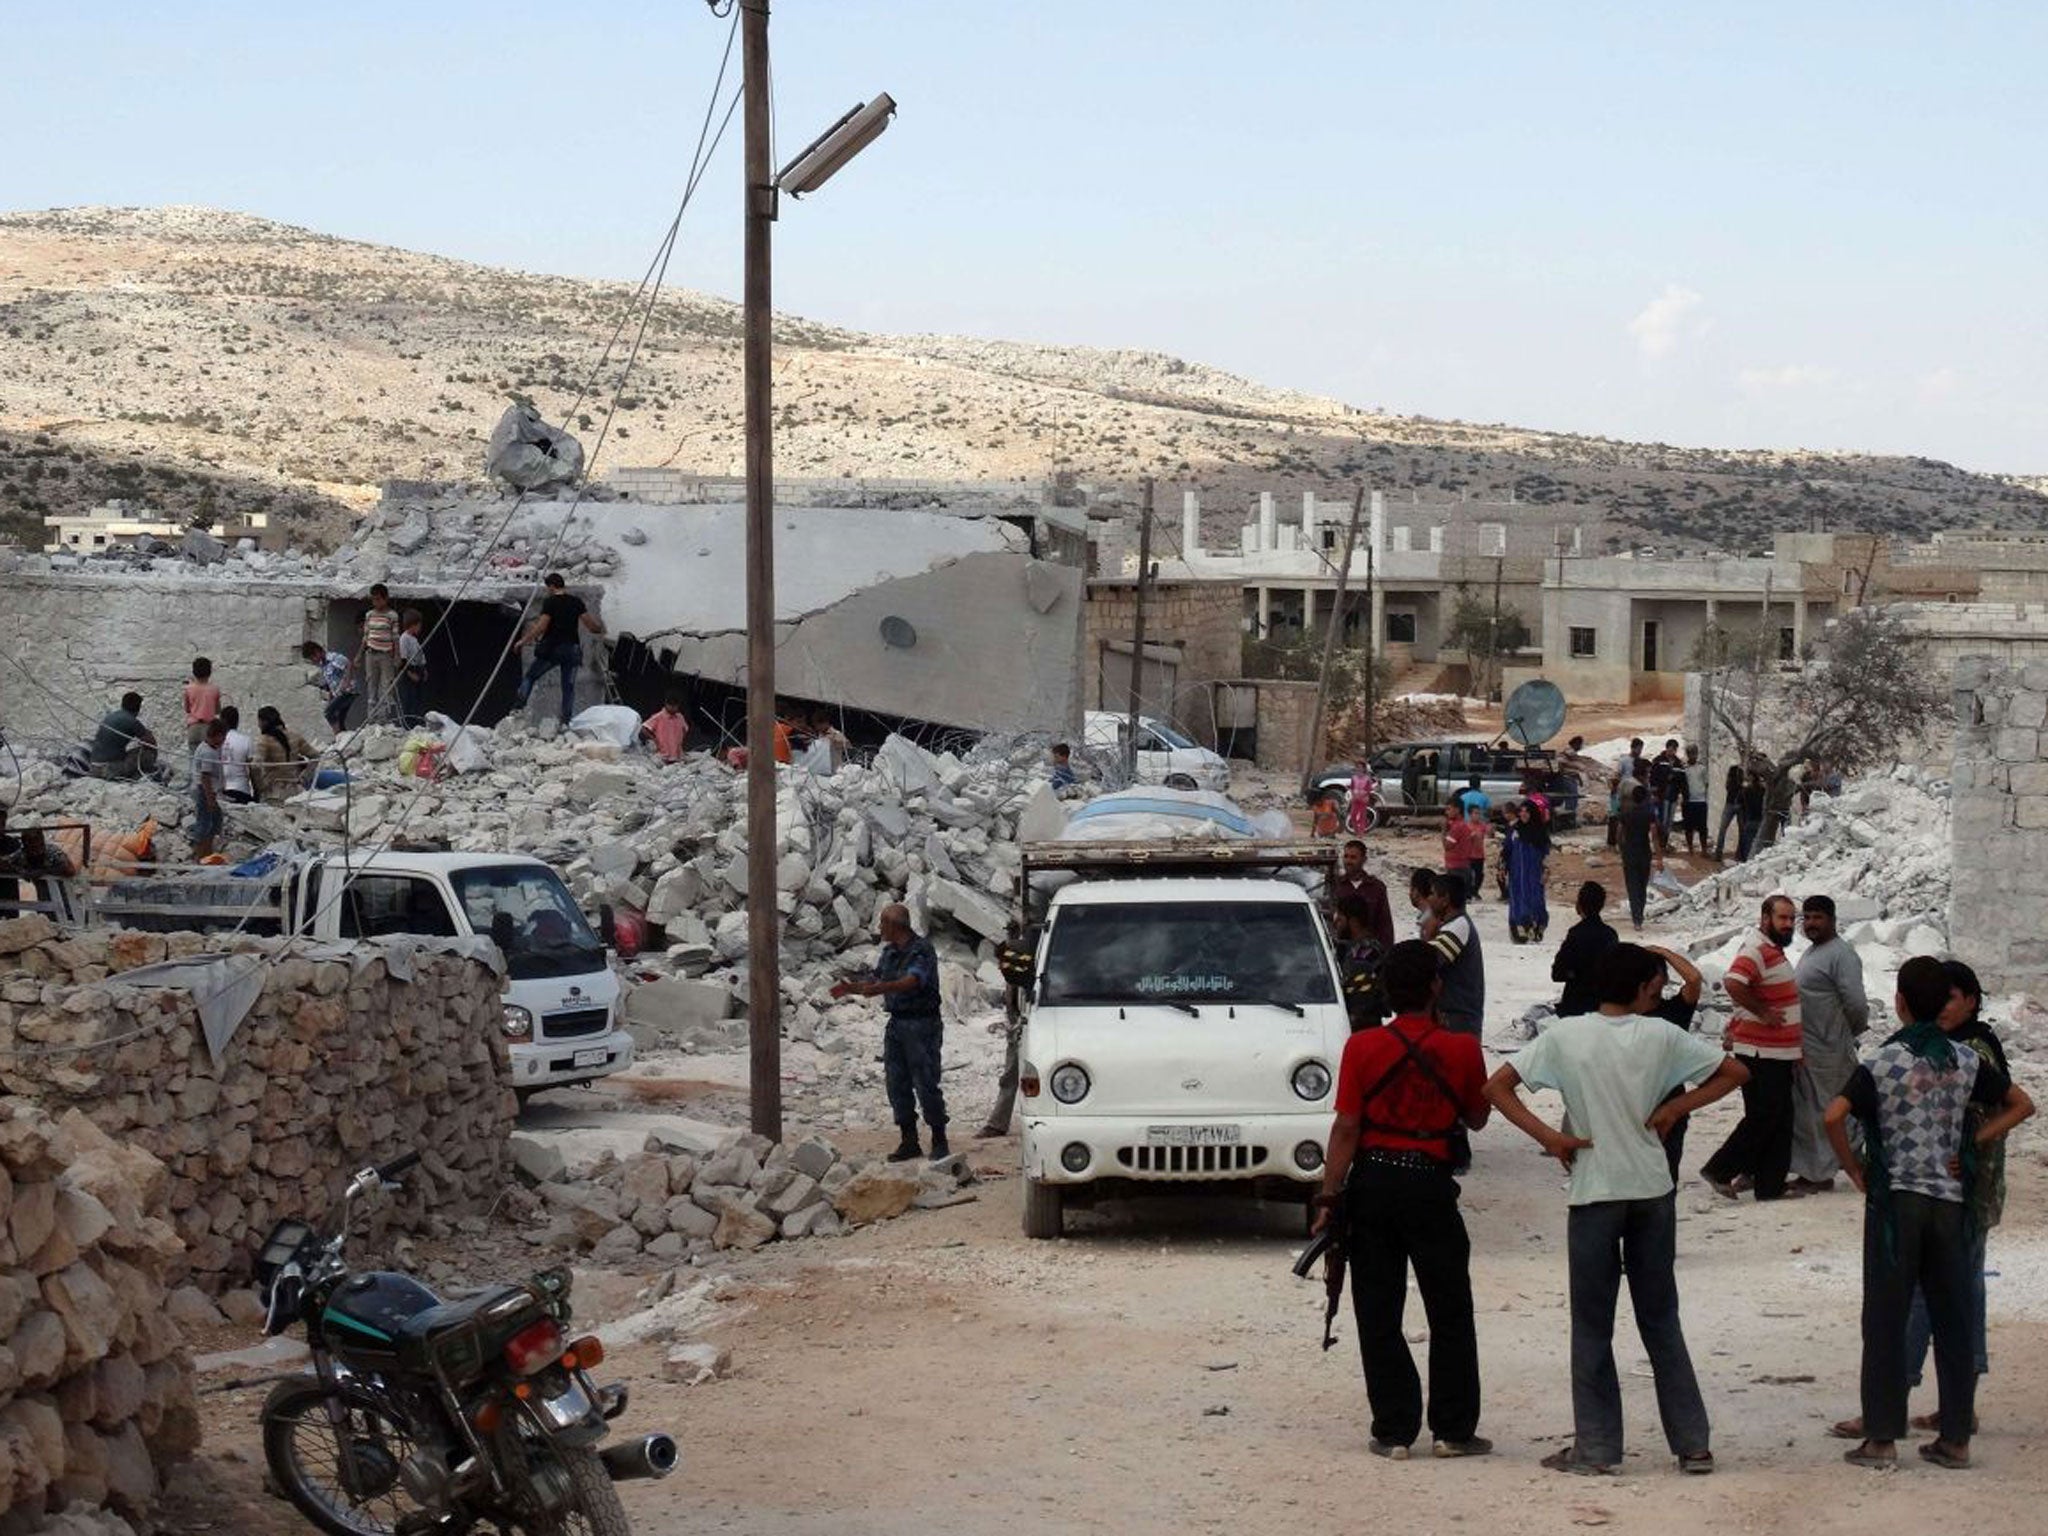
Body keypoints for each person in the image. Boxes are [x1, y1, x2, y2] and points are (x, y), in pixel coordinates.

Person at [1484, 943, 1748, 1477]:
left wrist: (1553, 1137)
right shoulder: (1662, 1035)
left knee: (1592, 1326)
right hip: (1652, 1189)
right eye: (1654, 984)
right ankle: (1693, 1444)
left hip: (1594, 1191)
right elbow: (1735, 1074)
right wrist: (1674, 1106)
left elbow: (1497, 1087)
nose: (1659, 991)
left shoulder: (1565, 1036)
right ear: (1639, 987)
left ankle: (1598, 1448)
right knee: (1661, 1319)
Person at [1824, 956, 2033, 1473]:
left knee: (1886, 1318)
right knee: (1954, 1318)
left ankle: (1880, 1438)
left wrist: (1855, 1171)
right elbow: (2022, 1104)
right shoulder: (1964, 1060)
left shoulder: (1883, 1061)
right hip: (1951, 1202)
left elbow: (1834, 1115)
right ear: (1944, 1003)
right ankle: (1955, 1439)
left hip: (1897, 1204)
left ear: (1899, 1003)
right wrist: (1973, 1143)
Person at [1311, 941, 1493, 1461]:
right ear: (1436, 986)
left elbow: (1346, 1127)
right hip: (1431, 1185)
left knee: (1378, 1308)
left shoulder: (1363, 1047)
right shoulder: (1459, 1048)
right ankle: (1453, 1431)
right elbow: (1477, 1117)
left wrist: (1328, 1194)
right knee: (1450, 1307)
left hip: (1373, 1183)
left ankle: (1394, 1429)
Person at [1700, 895, 1803, 1202]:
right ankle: (1720, 1169)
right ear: (1765, 919)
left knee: (1781, 1120)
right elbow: (1733, 983)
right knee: (1764, 1116)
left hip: (1778, 1051)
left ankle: (1769, 1186)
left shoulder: (1773, 951)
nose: (1787, 924)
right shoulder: (1756, 948)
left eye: (1790, 919)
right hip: (1761, 1051)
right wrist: (1762, 1012)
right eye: (1782, 918)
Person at [832, 904, 949, 1162]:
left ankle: (939, 1138)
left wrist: (881, 988)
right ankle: (909, 1140)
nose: (879, 929)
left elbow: (913, 981)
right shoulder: (889, 953)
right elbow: (875, 980)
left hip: (922, 1025)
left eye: (882, 924)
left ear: (895, 925)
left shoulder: (922, 950)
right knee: (897, 1084)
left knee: (926, 1082)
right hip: (897, 1025)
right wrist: (851, 988)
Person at [1787, 895, 1869, 1193]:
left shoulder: (1841, 954)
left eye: (1817, 917)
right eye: (1806, 917)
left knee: (1828, 1110)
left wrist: (1846, 1033)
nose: (1810, 923)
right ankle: (1825, 1167)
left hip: (1830, 1050)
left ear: (1832, 920)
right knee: (1811, 1111)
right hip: (1811, 1049)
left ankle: (1820, 1174)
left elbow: (1857, 1004)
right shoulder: (1812, 952)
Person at [516, 574, 604, 726]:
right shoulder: (576, 602)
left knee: (530, 676)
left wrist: (523, 641)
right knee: (568, 687)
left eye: (548, 587)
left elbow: (541, 627)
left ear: (551, 586)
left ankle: (517, 708)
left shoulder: (550, 602)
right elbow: (591, 625)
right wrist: (601, 629)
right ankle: (566, 721)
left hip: (553, 648)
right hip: (572, 650)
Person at [1424, 874, 1484, 1039]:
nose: (1429, 899)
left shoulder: (1458, 926)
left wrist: (1427, 935)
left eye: (1432, 894)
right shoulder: (1451, 925)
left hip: (1458, 1017)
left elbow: (1426, 961)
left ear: (1445, 900)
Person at [1551, 882, 1619, 1019]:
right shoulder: (1610, 934)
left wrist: (1575, 974)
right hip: (1604, 1006)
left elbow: (1557, 973)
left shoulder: (1576, 934)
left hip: (1576, 1005)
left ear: (1579, 905)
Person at [1331, 896, 1391, 1032]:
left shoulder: (1363, 955)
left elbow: (1359, 1005)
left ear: (1353, 922)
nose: (1335, 924)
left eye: (1340, 919)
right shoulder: (1371, 947)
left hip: (1362, 1029)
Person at [1334, 839, 1395, 954]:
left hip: (1369, 950)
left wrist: (1386, 953)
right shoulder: (1336, 885)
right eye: (1346, 856)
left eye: (1353, 857)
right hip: (1341, 949)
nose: (1348, 861)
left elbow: (1385, 924)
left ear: (1364, 859)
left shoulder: (1377, 888)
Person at [1503, 797, 1551, 944]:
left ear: (1533, 813)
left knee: (1536, 900)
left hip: (1534, 873)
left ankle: (1537, 927)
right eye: (1521, 811)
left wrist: (1546, 870)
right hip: (1517, 873)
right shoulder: (1515, 830)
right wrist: (1502, 867)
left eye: (1527, 811)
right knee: (1518, 900)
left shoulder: (1540, 832)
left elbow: (1546, 854)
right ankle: (1519, 931)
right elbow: (1507, 850)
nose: (1523, 814)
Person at [1615, 783, 1660, 931]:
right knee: (1642, 885)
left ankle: (1636, 919)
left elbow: (1619, 833)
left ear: (1633, 798)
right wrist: (1659, 857)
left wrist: (1621, 848)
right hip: (1644, 852)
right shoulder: (1649, 814)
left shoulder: (1625, 814)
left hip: (1629, 853)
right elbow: (1654, 836)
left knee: (1632, 885)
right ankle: (1639, 914)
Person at [88, 692, 159, 782]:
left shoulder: (111, 716)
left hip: (93, 766)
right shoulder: (132, 721)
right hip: (108, 769)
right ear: (138, 707)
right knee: (147, 753)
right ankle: (141, 774)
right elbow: (151, 744)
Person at [251, 706, 316, 803]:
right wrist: (305, 777)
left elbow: (255, 766)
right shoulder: (295, 736)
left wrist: (261, 786)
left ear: (264, 722)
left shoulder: (264, 740)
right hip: (296, 791)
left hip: (274, 793)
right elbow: (315, 756)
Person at [356, 583, 400, 724]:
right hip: (371, 654)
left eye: (378, 599)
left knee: (385, 686)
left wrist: (397, 656)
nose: (376, 602)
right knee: (371, 686)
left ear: (385, 598)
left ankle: (382, 719)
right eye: (373, 599)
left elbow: (395, 637)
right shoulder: (369, 615)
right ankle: (371, 719)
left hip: (385, 655)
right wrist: (358, 655)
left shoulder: (392, 616)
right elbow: (366, 637)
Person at [302, 641, 358, 735]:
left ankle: (337, 735)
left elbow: (349, 664)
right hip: (338, 693)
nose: (313, 661)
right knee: (340, 718)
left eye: (312, 658)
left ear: (317, 652)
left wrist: (346, 682)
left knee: (329, 712)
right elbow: (331, 681)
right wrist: (331, 694)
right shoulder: (323, 665)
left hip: (348, 692)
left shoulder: (333, 658)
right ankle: (343, 737)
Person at [190, 719, 227, 859]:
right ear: (217, 735)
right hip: (204, 790)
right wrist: (210, 799)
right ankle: (200, 855)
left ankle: (208, 853)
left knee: (215, 821)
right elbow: (205, 778)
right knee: (204, 823)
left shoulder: (207, 748)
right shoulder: (207, 753)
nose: (223, 740)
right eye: (223, 736)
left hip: (209, 791)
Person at [1441, 805, 1483, 903]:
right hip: (1464, 861)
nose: (1447, 812)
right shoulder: (1464, 826)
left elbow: (1447, 846)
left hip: (1457, 864)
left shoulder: (1457, 827)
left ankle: (1472, 894)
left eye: (1449, 809)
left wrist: (1443, 832)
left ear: (1457, 810)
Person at [216, 706, 255, 804]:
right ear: (237, 722)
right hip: (242, 789)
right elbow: (253, 769)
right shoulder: (246, 740)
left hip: (221, 790)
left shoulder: (216, 741)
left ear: (222, 721)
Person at [396, 608, 428, 727]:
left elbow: (420, 655)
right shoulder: (404, 638)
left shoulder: (414, 639)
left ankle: (416, 723)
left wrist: (423, 669)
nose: (420, 628)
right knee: (409, 699)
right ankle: (408, 724)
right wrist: (410, 673)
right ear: (413, 625)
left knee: (417, 700)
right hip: (409, 671)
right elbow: (403, 659)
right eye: (419, 625)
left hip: (417, 669)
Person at [1647, 740, 1680, 853]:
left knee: (1669, 822)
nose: (1672, 751)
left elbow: (1682, 780)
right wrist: (1654, 792)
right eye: (1670, 748)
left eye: (1674, 749)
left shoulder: (1678, 763)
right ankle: (1659, 845)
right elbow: (1652, 778)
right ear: (1667, 748)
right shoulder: (1658, 761)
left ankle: (1664, 844)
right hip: (1661, 797)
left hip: (1673, 797)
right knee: (1661, 821)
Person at [183, 658, 220, 756]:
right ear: (209, 672)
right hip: (209, 729)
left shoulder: (188, 689)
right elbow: (217, 710)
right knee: (208, 760)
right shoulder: (214, 689)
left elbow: (187, 709)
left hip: (193, 728)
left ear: (194, 672)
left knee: (193, 760)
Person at [640, 695, 691, 764]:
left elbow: (685, 729)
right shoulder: (659, 716)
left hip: (678, 755)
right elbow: (644, 728)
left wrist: (680, 740)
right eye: (671, 705)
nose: (673, 708)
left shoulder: (680, 717)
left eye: (675, 706)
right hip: (663, 756)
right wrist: (654, 739)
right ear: (666, 704)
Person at [1711, 762, 1744, 861]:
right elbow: (1728, 786)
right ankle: (1720, 853)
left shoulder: (1746, 773)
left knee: (1741, 830)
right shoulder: (1734, 772)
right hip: (1732, 803)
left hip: (1739, 804)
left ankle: (1738, 854)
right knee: (1724, 829)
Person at [1681, 746, 1710, 855]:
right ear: (1687, 754)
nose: (1692, 755)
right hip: (1688, 801)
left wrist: (1701, 792)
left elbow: (1706, 783)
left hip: (1700, 801)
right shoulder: (1684, 769)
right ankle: (1690, 849)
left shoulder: (1702, 768)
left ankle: (1704, 849)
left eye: (1694, 753)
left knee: (1702, 826)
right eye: (1690, 753)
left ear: (1697, 754)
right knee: (1688, 827)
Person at [1736, 770, 1767, 862]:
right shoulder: (1763, 790)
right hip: (1761, 820)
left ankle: (1747, 861)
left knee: (1748, 845)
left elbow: (1738, 804)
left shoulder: (1746, 790)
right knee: (1760, 844)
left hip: (1750, 820)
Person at [1346, 759, 1377, 838]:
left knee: (1362, 816)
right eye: (1358, 767)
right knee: (1353, 815)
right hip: (1355, 798)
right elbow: (1352, 787)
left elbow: (1369, 789)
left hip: (1363, 798)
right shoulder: (1354, 777)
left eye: (1361, 767)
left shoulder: (1367, 778)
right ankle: (1356, 831)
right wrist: (1353, 795)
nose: (1359, 769)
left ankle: (1361, 832)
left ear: (1364, 768)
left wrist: (1364, 795)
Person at [1408, 867, 1438, 940]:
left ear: (1416, 891)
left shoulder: (1428, 923)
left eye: (1411, 889)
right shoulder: (1436, 915)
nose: (1409, 893)